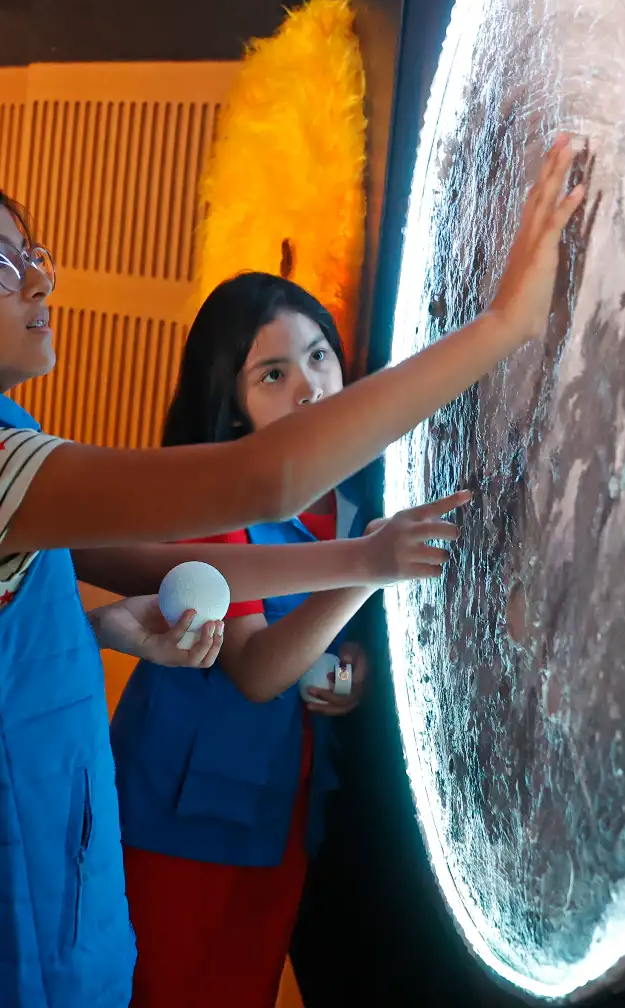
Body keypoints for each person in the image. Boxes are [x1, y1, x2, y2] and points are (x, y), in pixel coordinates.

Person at [0, 136, 582, 1007]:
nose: (40, 282)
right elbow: (264, 480)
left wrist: (359, 559)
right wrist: (503, 328)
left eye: (33, 256)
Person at [112, 272, 392, 1007]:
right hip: (178, 817)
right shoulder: (215, 503)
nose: (310, 385)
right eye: (274, 373)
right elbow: (258, 669)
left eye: (320, 355)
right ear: (231, 403)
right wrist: (366, 570)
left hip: (283, 812)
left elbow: (321, 647)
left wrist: (353, 665)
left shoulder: (354, 497)